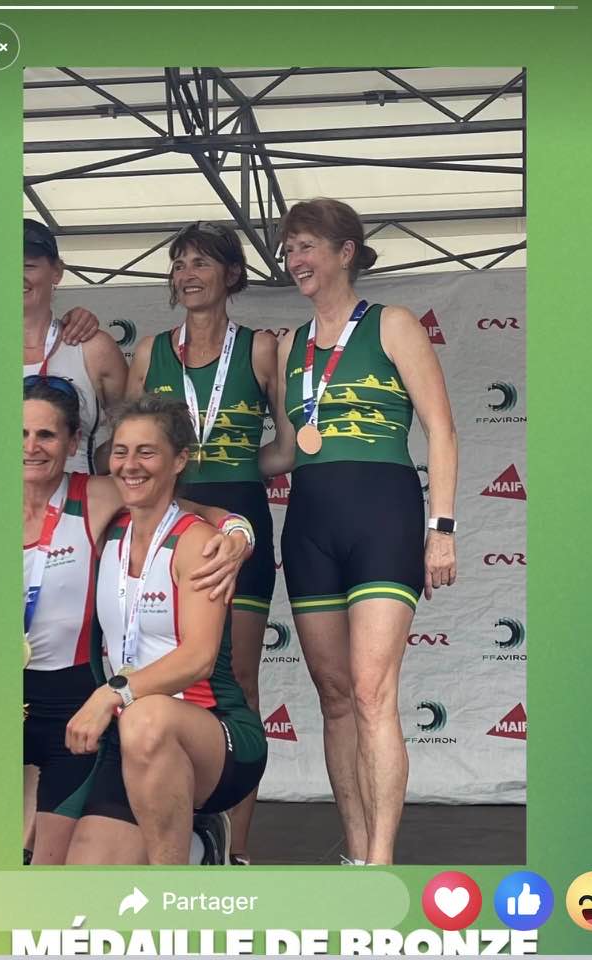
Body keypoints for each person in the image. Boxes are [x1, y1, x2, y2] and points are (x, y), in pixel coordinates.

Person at [260, 198, 458, 866]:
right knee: (336, 696)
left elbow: (443, 430)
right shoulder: (289, 345)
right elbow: (287, 451)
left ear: (347, 251)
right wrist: (205, 472)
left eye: (307, 246)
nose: (295, 261)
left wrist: (443, 528)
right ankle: (352, 857)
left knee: (373, 691)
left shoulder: (393, 325)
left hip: (384, 518)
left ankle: (381, 863)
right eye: (289, 250)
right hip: (311, 523)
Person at [23, 378, 253, 865]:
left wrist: (238, 531)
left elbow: (198, 658)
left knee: (146, 718)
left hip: (203, 724)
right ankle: (194, 842)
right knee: (77, 891)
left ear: (179, 460)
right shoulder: (115, 529)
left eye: (146, 452)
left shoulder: (193, 542)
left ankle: (178, 880)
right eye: (121, 451)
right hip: (124, 730)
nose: (130, 465)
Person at [126, 222, 282, 864]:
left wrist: (242, 472)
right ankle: (171, 829)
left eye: (201, 263)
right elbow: (137, 445)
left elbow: (292, 443)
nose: (187, 274)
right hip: (168, 523)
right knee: (160, 669)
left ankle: (232, 847)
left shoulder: (262, 348)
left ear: (231, 275)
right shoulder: (150, 353)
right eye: (178, 264)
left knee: (235, 680)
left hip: (237, 521)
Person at [24, 218, 129, 473]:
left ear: (57, 272)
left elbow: (136, 432)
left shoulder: (94, 348)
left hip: (78, 507)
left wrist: (98, 481)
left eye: (28, 266)